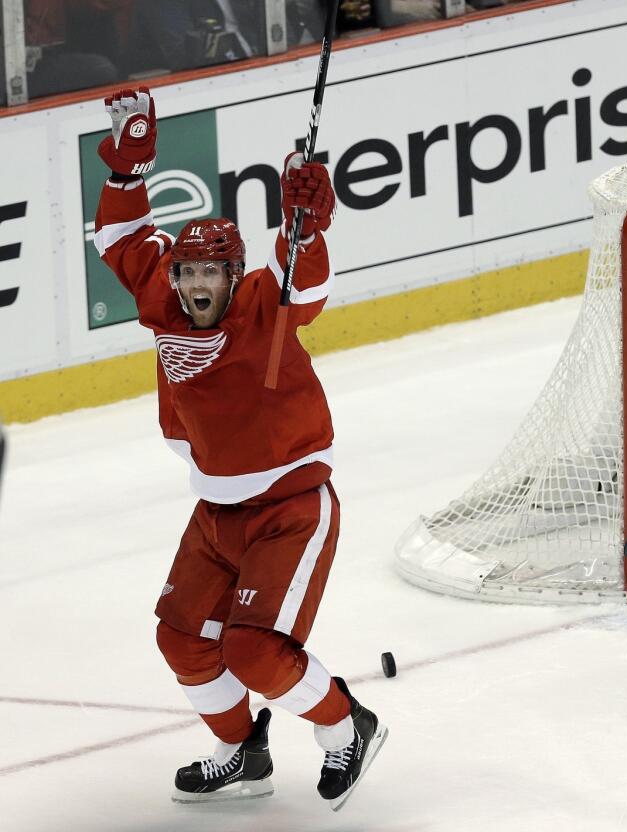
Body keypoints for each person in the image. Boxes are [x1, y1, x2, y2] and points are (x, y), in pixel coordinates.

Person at [92, 87, 386, 809]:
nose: (195, 284)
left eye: (209, 274)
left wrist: (309, 229)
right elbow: (122, 243)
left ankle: (347, 726)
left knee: (254, 650)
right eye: (187, 272)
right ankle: (242, 750)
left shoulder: (264, 302)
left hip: (289, 507)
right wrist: (128, 170)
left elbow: (305, 281)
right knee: (182, 641)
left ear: (233, 275)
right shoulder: (162, 297)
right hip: (216, 511)